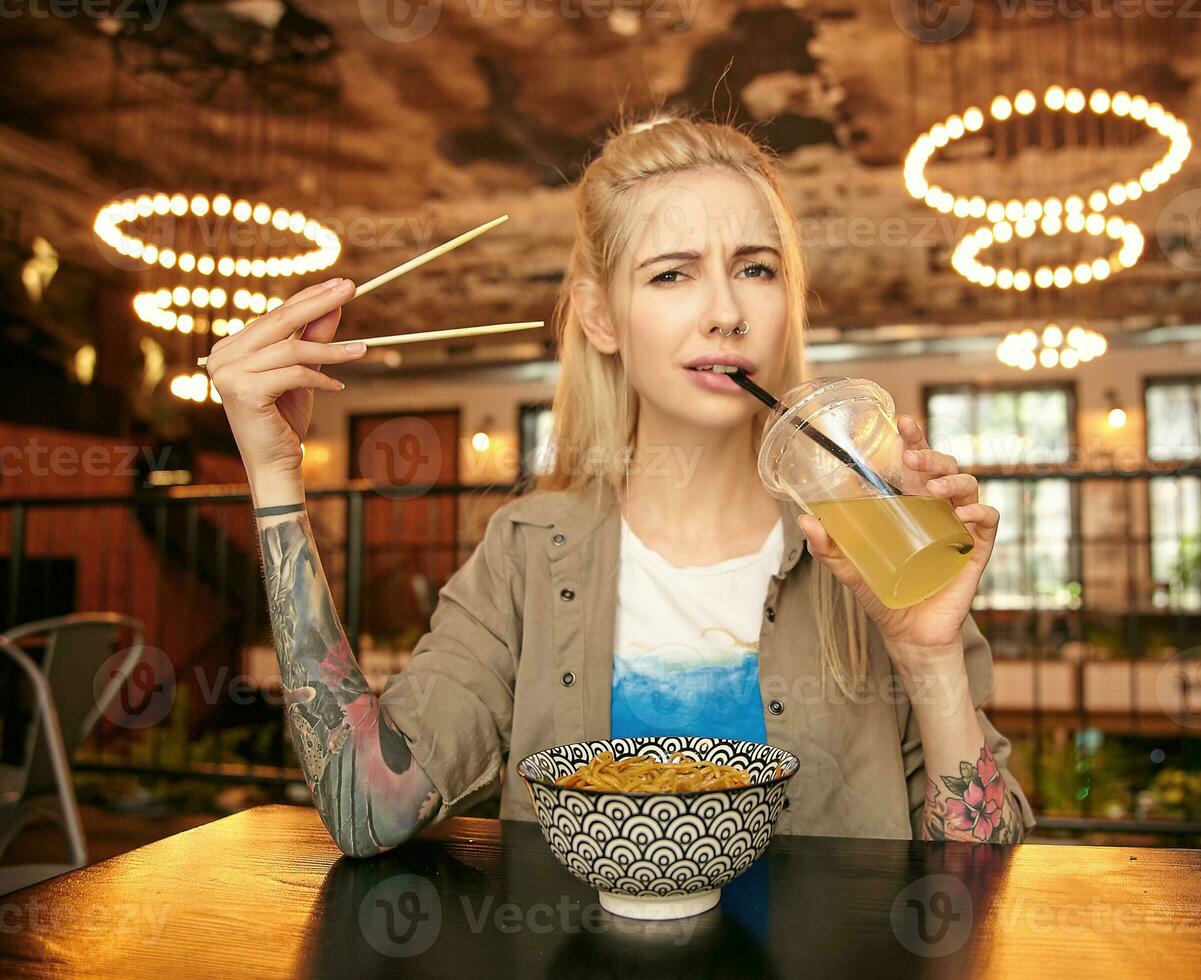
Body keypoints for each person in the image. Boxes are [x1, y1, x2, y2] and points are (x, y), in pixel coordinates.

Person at [207, 114, 1034, 858]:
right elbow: (365, 812)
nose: (725, 312)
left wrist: (927, 658)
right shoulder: (528, 554)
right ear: (600, 317)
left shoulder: (873, 548)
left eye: (755, 268)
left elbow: (979, 878)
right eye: (672, 275)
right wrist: (276, 479)